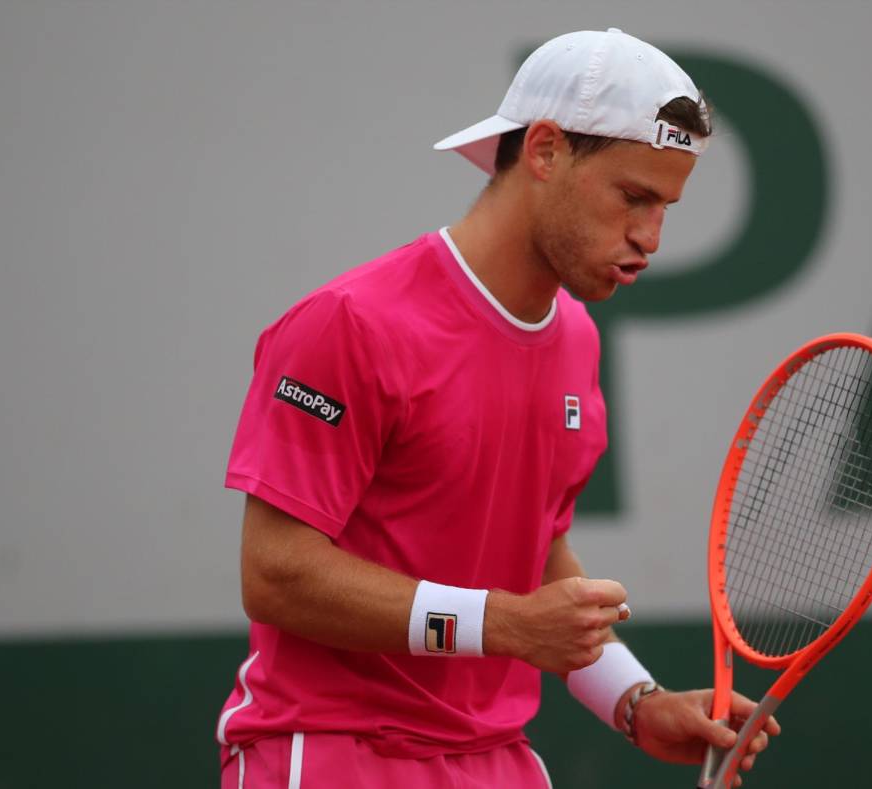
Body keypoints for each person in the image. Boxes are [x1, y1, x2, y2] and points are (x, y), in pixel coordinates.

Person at [216, 28, 779, 788]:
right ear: (544, 151)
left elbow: (535, 563)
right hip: (330, 752)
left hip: (497, 761)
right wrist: (502, 624)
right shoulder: (349, 325)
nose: (650, 237)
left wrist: (635, 702)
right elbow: (276, 574)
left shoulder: (576, 339)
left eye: (666, 205)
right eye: (633, 196)